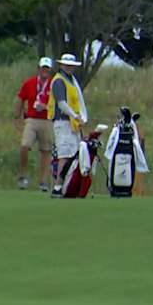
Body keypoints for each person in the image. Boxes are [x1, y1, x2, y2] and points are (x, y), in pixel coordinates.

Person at [47, 53, 88, 197]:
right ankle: (58, 186)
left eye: (71, 65)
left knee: (73, 155)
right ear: (62, 65)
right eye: (67, 65)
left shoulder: (71, 80)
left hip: (72, 123)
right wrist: (75, 115)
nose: (69, 68)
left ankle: (68, 186)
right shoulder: (59, 81)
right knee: (64, 155)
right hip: (63, 122)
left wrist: (79, 117)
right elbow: (61, 103)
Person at [14, 57, 55, 191]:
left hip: (47, 119)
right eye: (42, 68)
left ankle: (43, 181)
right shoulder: (30, 83)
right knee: (25, 146)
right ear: (38, 69)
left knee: (46, 150)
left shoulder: (54, 84)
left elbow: (58, 104)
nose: (44, 71)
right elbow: (20, 98)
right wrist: (17, 116)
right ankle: (22, 176)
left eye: (47, 69)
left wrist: (46, 107)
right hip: (31, 119)